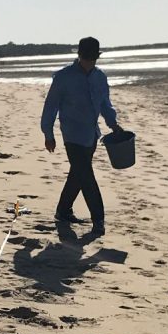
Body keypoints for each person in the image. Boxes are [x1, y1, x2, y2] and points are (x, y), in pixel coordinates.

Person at [40, 36, 122, 235]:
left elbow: (105, 105)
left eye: (92, 58)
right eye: (86, 58)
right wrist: (48, 133)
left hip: (91, 135)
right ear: (79, 55)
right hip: (72, 135)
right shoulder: (63, 77)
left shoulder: (100, 77)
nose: (89, 62)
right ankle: (99, 219)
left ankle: (63, 210)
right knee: (87, 176)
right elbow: (50, 106)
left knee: (78, 174)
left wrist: (114, 125)